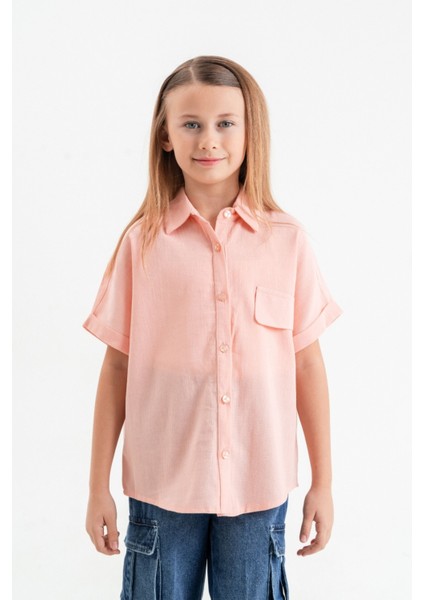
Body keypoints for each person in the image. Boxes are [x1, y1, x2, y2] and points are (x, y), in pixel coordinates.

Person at [83, 55, 343, 600]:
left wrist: (323, 482)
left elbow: (306, 364)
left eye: (226, 123)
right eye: (191, 124)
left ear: (251, 133)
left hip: (258, 484)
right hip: (162, 485)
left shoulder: (288, 242)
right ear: (165, 137)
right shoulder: (142, 245)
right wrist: (96, 487)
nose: (209, 140)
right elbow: (118, 368)